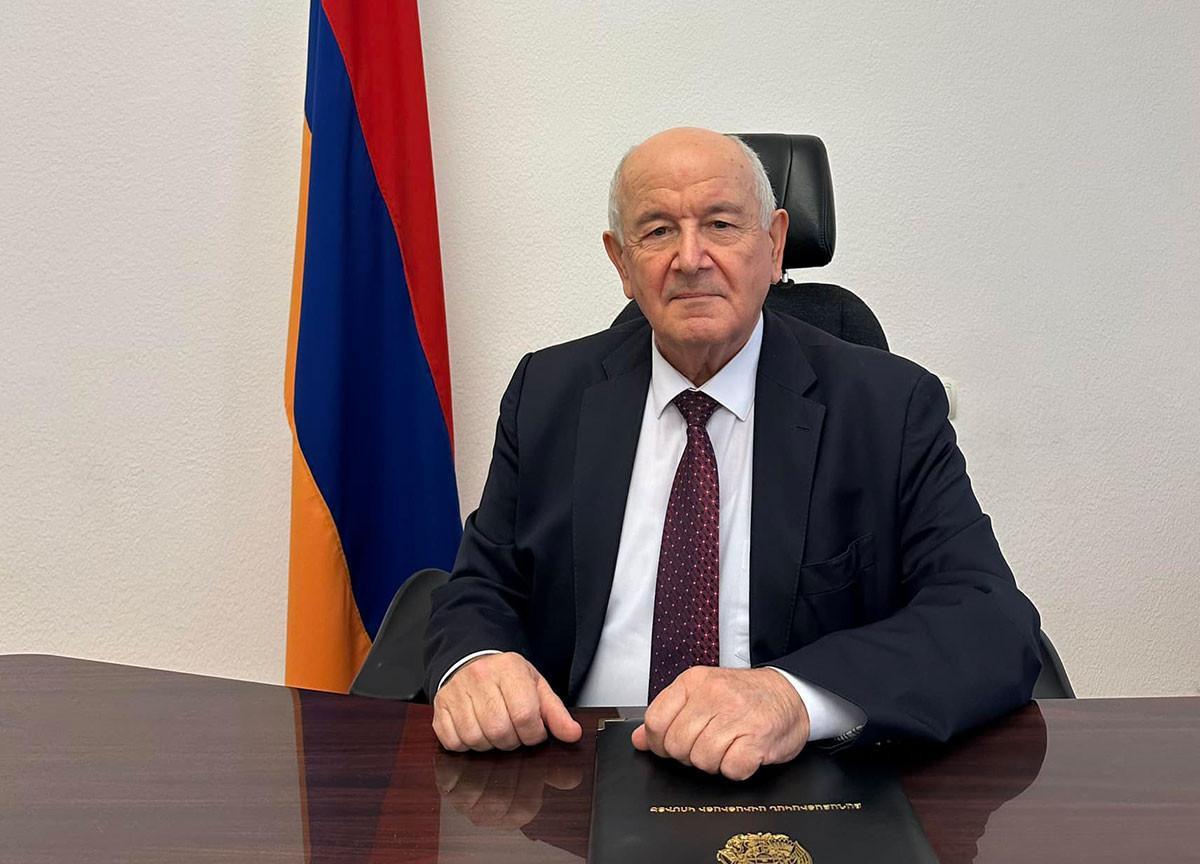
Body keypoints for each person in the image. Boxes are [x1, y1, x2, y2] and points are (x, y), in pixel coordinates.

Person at [424, 127, 1042, 781]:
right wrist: (476, 662)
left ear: (774, 245)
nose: (690, 258)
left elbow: (989, 621)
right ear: (622, 263)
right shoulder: (547, 393)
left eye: (720, 224)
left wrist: (793, 696)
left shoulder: (887, 408)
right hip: (576, 778)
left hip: (801, 783)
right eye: (658, 231)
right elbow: (481, 587)